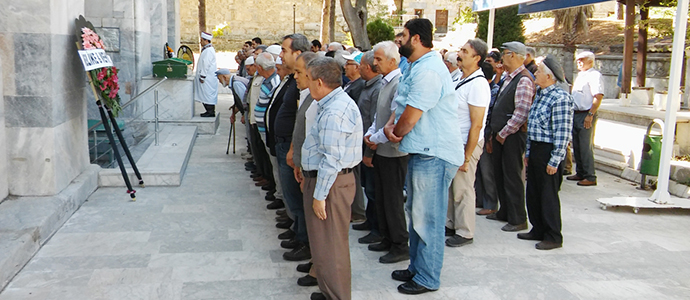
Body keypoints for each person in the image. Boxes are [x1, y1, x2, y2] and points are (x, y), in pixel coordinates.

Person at [383, 18, 462, 295]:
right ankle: (417, 267)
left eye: (402, 35)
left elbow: (412, 115)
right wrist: (392, 125)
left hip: (435, 154)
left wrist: (395, 132)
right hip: (423, 151)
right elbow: (402, 103)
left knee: (427, 219)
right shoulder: (417, 66)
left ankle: (428, 277)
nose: (399, 40)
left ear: (416, 38)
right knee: (416, 216)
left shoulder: (428, 70)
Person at [301, 56, 363, 300]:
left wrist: (319, 196)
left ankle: (337, 295)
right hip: (330, 183)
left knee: (332, 245)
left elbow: (331, 160)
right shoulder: (331, 104)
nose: (305, 83)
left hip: (331, 185)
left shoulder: (334, 112)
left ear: (318, 82)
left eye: (307, 78)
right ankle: (328, 291)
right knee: (324, 243)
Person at [364, 41, 410, 264]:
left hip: (394, 153)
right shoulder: (385, 82)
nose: (375, 63)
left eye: (379, 59)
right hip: (382, 149)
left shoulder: (399, 83)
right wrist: (372, 133)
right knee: (381, 197)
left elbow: (396, 120)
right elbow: (379, 116)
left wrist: (375, 138)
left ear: (393, 61)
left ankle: (400, 244)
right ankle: (386, 236)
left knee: (392, 201)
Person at [522, 55, 573, 250]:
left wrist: (555, 160)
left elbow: (562, 132)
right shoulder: (540, 93)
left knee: (548, 195)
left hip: (548, 151)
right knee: (533, 192)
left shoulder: (560, 98)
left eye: (539, 71)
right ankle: (538, 228)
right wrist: (528, 151)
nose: (535, 73)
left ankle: (553, 235)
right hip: (536, 147)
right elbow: (533, 126)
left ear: (550, 76)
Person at [445, 39, 490, 248]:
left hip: (466, 143)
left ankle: (465, 231)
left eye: (464, 51)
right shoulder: (461, 78)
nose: (459, 54)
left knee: (463, 187)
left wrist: (467, 155)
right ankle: (452, 223)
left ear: (477, 58)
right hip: (455, 141)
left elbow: (477, 124)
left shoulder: (478, 84)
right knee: (453, 187)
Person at [486, 41, 535, 233]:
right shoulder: (508, 77)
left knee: (512, 176)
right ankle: (505, 210)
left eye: (505, 54)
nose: (502, 58)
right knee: (501, 174)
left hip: (512, 137)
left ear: (513, 55)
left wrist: (504, 133)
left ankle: (518, 218)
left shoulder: (523, 79)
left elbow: (522, 112)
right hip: (501, 135)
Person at [276, 33, 313, 262]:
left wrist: (293, 149)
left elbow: (302, 121)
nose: (281, 55)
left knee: (299, 200)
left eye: (284, 51)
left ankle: (304, 242)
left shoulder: (306, 85)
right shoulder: (292, 79)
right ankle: (298, 232)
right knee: (291, 196)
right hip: (285, 146)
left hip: (295, 151)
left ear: (297, 53)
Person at [288, 51, 320, 287]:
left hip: (316, 171)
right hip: (306, 168)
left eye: (299, 72)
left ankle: (319, 269)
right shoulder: (307, 96)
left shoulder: (318, 100)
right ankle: (315, 263)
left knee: (321, 228)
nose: (295, 76)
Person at [352, 50, 382, 245]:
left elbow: (375, 120)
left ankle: (377, 228)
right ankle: (370, 221)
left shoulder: (377, 88)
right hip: (364, 142)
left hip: (372, 146)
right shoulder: (366, 86)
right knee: (368, 187)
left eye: (361, 65)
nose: (358, 68)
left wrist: (370, 151)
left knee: (373, 189)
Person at [567, 51, 603, 186]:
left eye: (582, 60)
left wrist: (590, 114)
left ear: (590, 61)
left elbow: (598, 96)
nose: (579, 62)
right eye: (578, 60)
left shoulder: (594, 75)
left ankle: (590, 175)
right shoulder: (581, 75)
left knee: (585, 146)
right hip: (576, 112)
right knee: (577, 144)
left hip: (586, 113)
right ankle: (581, 172)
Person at [475, 52, 501, 216]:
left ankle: (491, 203)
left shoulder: (492, 90)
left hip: (487, 133)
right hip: (481, 133)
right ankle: (480, 198)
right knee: (478, 170)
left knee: (487, 170)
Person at [193, 31, 218, 117]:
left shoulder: (209, 51)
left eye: (202, 40)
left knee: (207, 95)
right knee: (204, 94)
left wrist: (202, 76)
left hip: (207, 78)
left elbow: (206, 64)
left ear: (206, 41)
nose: (201, 42)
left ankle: (210, 111)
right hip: (206, 77)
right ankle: (208, 111)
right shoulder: (207, 50)